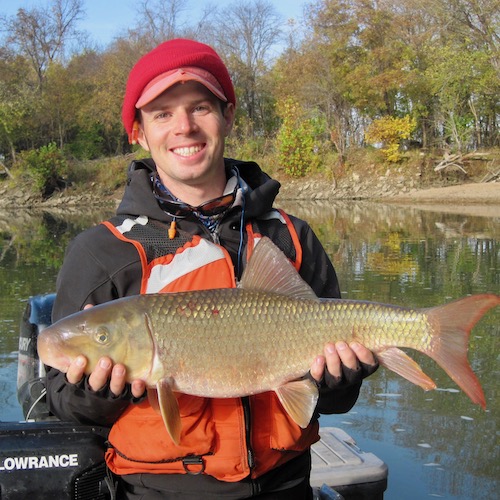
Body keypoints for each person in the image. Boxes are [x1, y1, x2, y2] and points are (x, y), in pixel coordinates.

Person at [45, 38, 378, 499]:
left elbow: (340, 401)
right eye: (162, 114)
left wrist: (340, 377)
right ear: (137, 131)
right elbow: (64, 403)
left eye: (200, 107)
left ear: (228, 115)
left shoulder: (291, 236)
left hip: (287, 484)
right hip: (157, 491)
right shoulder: (101, 251)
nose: (184, 127)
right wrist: (101, 391)